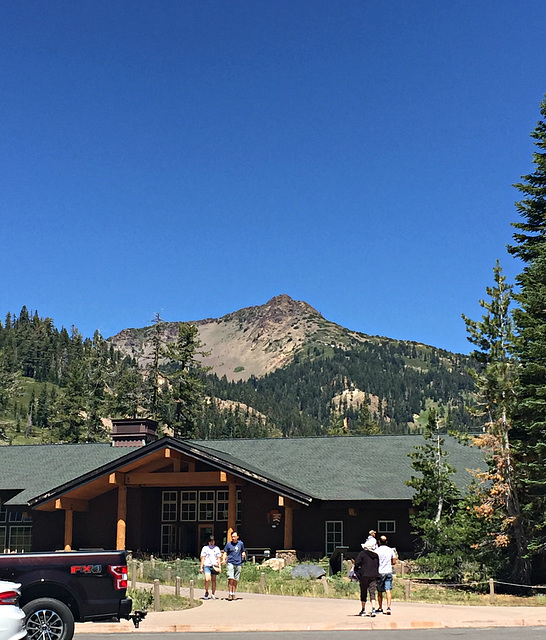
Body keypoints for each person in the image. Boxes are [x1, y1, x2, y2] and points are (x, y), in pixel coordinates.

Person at [353, 537, 379, 617]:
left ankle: (363, 609)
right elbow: (378, 565)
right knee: (372, 592)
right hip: (374, 575)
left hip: (364, 575)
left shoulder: (362, 554)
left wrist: (357, 572)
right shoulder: (376, 555)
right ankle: (373, 609)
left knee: (363, 592)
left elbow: (357, 563)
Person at [376, 535, 397, 615]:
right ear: (387, 542)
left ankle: (380, 607)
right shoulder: (390, 550)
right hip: (388, 571)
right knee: (388, 590)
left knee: (379, 591)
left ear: (379, 542)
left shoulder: (376, 550)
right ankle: (388, 607)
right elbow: (394, 561)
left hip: (380, 572)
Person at [222, 531, 246, 600]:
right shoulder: (228, 544)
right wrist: (224, 559)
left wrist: (243, 554)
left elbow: (243, 550)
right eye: (232, 537)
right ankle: (230, 593)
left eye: (234, 536)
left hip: (238, 563)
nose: (233, 538)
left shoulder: (240, 544)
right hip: (230, 562)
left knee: (236, 579)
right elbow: (225, 553)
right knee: (231, 578)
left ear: (237, 537)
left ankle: (233, 593)